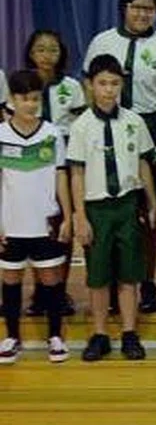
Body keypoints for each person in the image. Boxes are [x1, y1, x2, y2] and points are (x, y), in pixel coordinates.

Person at [82, 0, 156, 315]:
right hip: (108, 130)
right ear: (124, 8)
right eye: (136, 7)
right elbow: (90, 89)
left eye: (149, 9)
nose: (143, 14)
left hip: (151, 130)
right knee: (110, 206)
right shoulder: (102, 42)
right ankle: (110, 284)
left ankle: (146, 281)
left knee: (147, 213)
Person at [68, 54, 156, 362]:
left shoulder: (134, 121)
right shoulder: (81, 126)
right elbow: (77, 173)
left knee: (129, 273)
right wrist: (80, 216)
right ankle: (100, 333)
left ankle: (130, 333)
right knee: (98, 274)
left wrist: (152, 202)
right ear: (90, 85)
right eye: (102, 83)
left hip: (128, 204)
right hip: (97, 208)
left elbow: (144, 164)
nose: (109, 90)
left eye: (115, 83)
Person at [0, 70, 73, 364]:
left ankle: (55, 336)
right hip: (11, 223)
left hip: (45, 222)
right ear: (11, 100)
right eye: (23, 98)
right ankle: (12, 336)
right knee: (10, 278)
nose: (30, 104)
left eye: (35, 98)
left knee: (51, 278)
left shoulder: (52, 134)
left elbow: (60, 177)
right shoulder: (1, 135)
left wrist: (67, 215)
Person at [17, 29, 86, 317]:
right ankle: (39, 291)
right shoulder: (20, 85)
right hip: (30, 163)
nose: (47, 55)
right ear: (31, 53)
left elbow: (82, 125)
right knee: (35, 225)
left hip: (64, 162)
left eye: (53, 50)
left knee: (61, 226)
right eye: (41, 49)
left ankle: (59, 289)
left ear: (61, 54)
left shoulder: (71, 86)